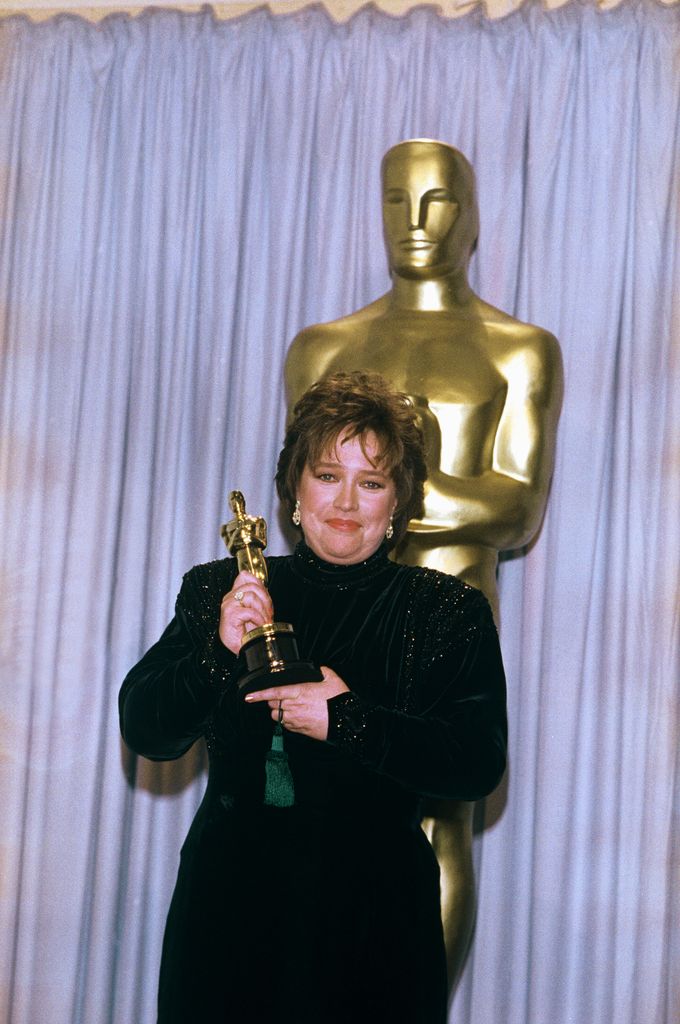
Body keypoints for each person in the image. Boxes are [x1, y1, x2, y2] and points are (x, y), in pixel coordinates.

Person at [119, 370, 508, 1024]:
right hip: (227, 926)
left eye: (372, 482)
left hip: (376, 938)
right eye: (328, 475)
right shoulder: (225, 587)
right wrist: (217, 650)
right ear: (293, 494)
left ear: (396, 509)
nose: (346, 502)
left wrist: (347, 721)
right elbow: (147, 728)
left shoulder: (445, 610)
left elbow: (474, 763)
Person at [285, 140, 563, 984]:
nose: (414, 221)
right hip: (331, 603)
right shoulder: (324, 345)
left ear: (471, 217)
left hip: (449, 607)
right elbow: (308, 489)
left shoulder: (518, 348)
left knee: (441, 823)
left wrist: (388, 494)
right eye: (396, 200)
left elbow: (517, 506)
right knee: (308, 815)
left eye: (438, 201)